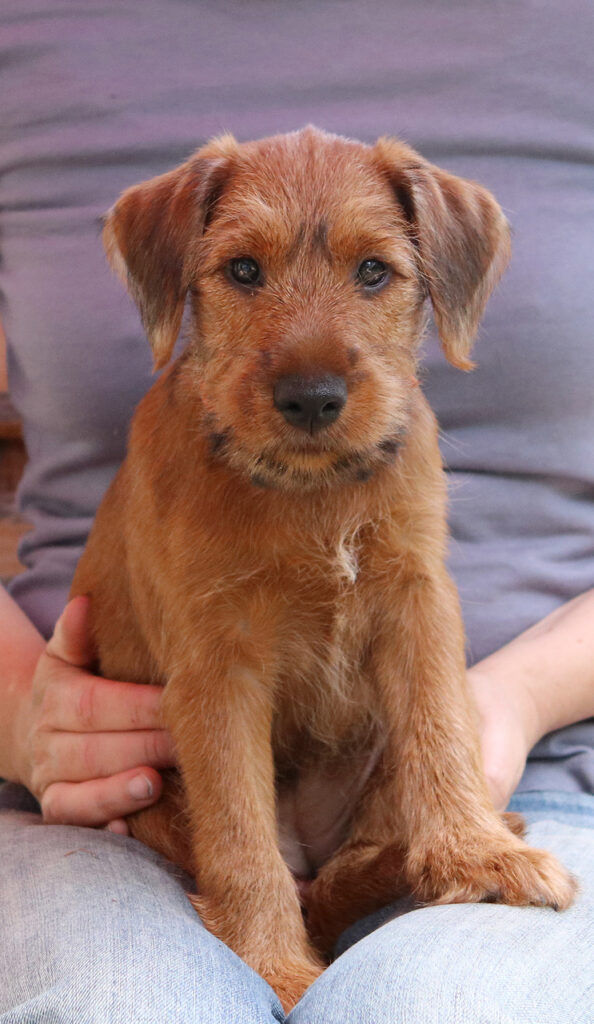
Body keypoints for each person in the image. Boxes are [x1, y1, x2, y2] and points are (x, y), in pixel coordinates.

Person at [1, 2, 593, 1021]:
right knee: (116, 1004)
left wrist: (471, 766)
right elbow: (217, 670)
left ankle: (406, 848)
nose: (311, 366)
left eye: (375, 274)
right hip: (136, 807)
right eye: (243, 273)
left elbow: (416, 607)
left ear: (435, 280)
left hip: (513, 773)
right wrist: (14, 708)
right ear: (174, 276)